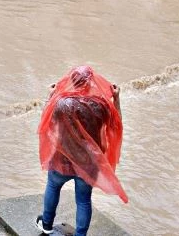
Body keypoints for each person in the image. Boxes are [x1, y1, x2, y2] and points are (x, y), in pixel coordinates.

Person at [35, 66, 128, 236]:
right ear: (91, 82)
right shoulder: (101, 106)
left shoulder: (62, 103)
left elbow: (45, 121)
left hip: (62, 157)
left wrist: (51, 96)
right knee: (84, 200)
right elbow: (117, 125)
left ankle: (47, 224)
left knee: (53, 187)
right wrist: (116, 99)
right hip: (89, 163)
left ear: (72, 81)